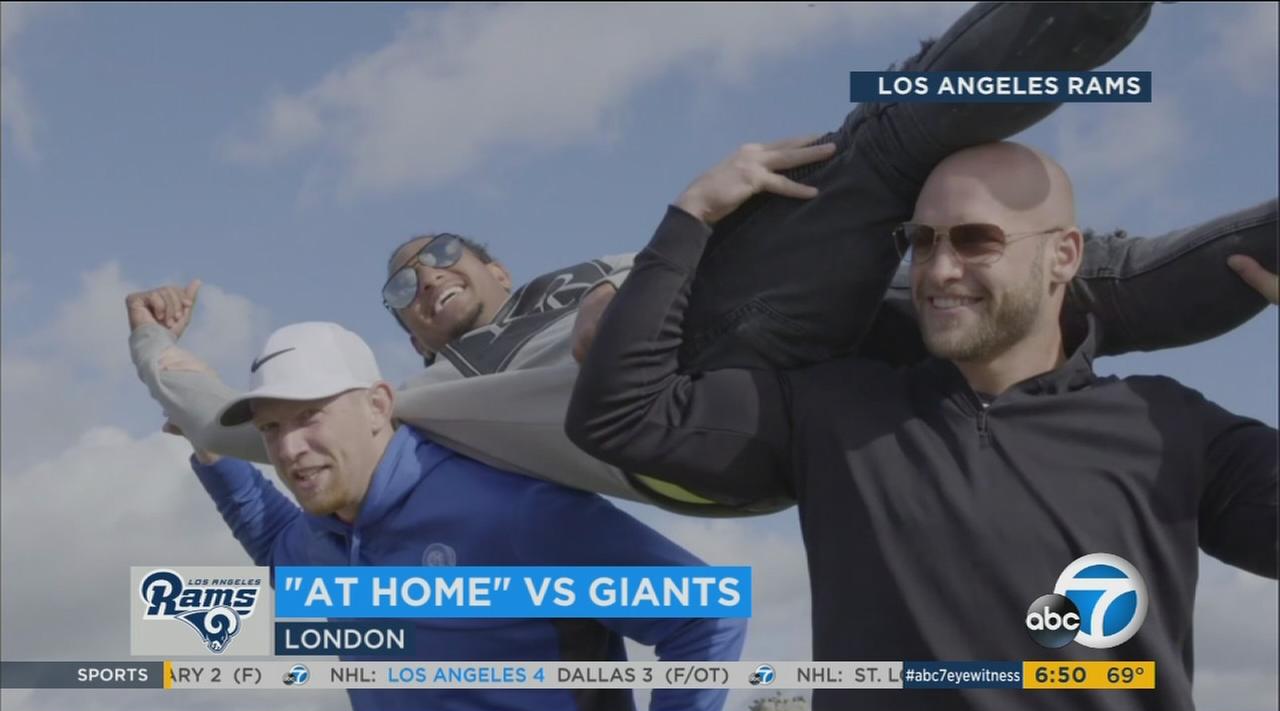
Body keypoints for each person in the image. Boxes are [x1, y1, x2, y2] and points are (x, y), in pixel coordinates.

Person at [128, 1, 1275, 519]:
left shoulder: (593, 265)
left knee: (1057, 279)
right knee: (879, 147)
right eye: (400, 289)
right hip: (692, 415)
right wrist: (156, 347)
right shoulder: (415, 399)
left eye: (439, 258)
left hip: (814, 362)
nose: (423, 283)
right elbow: (233, 422)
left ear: (489, 258)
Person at [565, 139, 1278, 711]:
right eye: (923, 241)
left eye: (974, 241)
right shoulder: (834, 411)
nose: (940, 270)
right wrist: (691, 218)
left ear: (1063, 255)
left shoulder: (1168, 427)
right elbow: (620, 416)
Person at [144, 313, 747, 711]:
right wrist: (206, 435)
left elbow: (704, 614)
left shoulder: (508, 509)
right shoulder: (318, 541)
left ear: (378, 405)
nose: (288, 448)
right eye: (271, 428)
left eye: (309, 416)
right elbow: (271, 537)